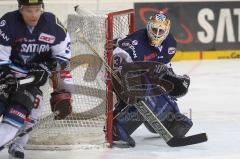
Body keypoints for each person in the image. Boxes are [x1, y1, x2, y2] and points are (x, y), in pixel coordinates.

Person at [0, 0, 73, 158]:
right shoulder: (8, 22)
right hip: (7, 72)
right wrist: (5, 76)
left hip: (33, 76)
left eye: (37, 9)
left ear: (42, 8)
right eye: (28, 10)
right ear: (20, 10)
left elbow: (64, 58)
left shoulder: (53, 25)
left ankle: (18, 144)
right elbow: (1, 57)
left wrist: (63, 87)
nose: (34, 15)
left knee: (33, 107)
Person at [112, 12, 192, 147]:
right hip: (121, 76)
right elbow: (116, 60)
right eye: (154, 29)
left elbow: (164, 66)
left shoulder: (170, 44)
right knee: (142, 94)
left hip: (145, 77)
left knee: (166, 88)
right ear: (148, 27)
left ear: (167, 31)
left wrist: (172, 79)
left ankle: (170, 121)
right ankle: (117, 127)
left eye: (161, 30)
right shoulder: (134, 42)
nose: (157, 33)